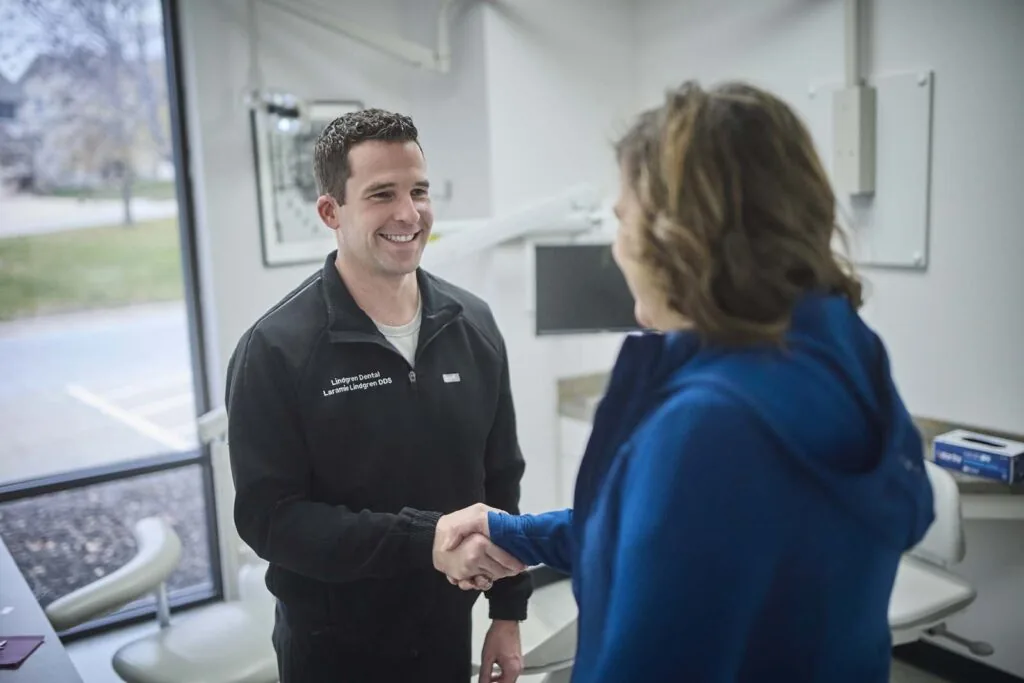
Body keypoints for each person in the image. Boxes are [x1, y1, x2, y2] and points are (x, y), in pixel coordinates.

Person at [435, 81, 936, 682]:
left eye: (623, 221)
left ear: (679, 233)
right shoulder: (846, 355)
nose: (615, 249)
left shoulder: (708, 425)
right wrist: (517, 533)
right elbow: (674, 540)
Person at [225, 108, 532, 683]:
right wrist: (423, 541)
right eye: (381, 194)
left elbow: (500, 479)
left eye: (418, 190)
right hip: (332, 647)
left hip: (445, 633)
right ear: (330, 211)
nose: (408, 213)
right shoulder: (276, 350)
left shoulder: (473, 325)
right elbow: (271, 520)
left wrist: (508, 612)